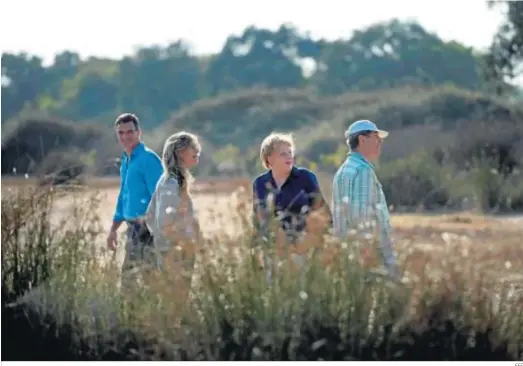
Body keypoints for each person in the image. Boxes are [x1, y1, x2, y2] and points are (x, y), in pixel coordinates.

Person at [252, 132, 331, 276]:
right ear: (269, 158)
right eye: (283, 154)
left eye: (290, 152)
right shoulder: (260, 183)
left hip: (303, 249)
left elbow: (322, 212)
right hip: (273, 250)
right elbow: (258, 218)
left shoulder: (305, 177)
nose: (289, 157)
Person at [332, 120, 399, 280]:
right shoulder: (362, 170)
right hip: (368, 251)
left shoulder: (342, 171)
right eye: (376, 137)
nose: (380, 142)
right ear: (362, 140)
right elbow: (362, 216)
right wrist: (374, 250)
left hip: (347, 250)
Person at [106, 113, 163, 284]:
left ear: (139, 132)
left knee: (134, 281)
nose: (125, 136)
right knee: (140, 281)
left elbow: (159, 195)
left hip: (148, 229)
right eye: (121, 133)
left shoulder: (148, 159)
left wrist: (149, 225)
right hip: (133, 228)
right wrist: (114, 229)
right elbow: (124, 196)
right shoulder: (126, 161)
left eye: (129, 131)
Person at [144, 132, 202, 288]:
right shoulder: (170, 183)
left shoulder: (172, 179)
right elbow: (164, 222)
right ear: (180, 152)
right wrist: (178, 245)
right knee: (176, 299)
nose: (197, 150)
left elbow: (149, 216)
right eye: (193, 148)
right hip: (175, 254)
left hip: (174, 251)